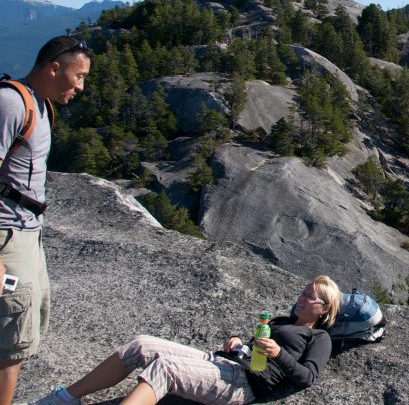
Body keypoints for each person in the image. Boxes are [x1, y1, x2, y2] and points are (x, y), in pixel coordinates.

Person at [32, 275, 342, 405]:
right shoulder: (283, 321)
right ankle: (64, 398)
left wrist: (277, 354)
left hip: (243, 383)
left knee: (164, 368)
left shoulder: (319, 337)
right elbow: (251, 348)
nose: (302, 298)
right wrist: (236, 343)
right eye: (303, 292)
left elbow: (307, 378)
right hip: (223, 362)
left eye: (310, 297)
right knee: (141, 344)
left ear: (324, 307)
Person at [0, 36, 92, 405]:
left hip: (28, 233)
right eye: (79, 75)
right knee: (10, 341)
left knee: (22, 331)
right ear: (55, 67)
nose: (81, 87)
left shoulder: (41, 105)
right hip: (8, 234)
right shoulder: (11, 102)